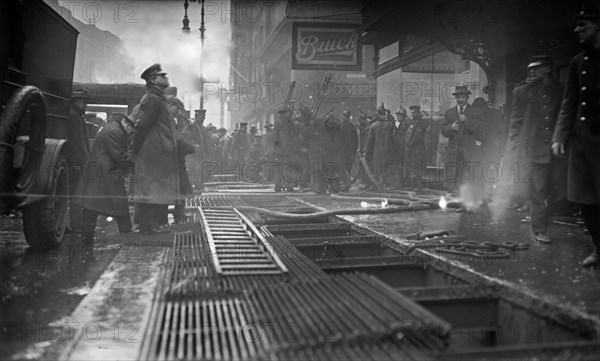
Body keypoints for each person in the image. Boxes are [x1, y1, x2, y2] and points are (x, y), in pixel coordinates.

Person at [552, 3, 600, 266]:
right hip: (583, 141)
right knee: (585, 199)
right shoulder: (577, 62)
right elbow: (569, 102)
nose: (576, 29)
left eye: (583, 24)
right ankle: (598, 247)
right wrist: (560, 135)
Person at [506, 56, 563, 244]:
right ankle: (539, 229)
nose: (531, 72)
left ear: (547, 69)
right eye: (529, 69)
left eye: (536, 69)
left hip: (559, 149)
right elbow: (515, 125)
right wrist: (514, 151)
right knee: (538, 191)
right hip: (535, 151)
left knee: (558, 190)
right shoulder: (522, 93)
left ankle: (546, 219)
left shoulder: (561, 90)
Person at [72, 113, 135, 253]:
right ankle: (127, 236)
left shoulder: (113, 128)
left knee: (92, 206)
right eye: (132, 129)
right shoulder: (115, 131)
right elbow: (119, 155)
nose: (131, 133)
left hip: (100, 173)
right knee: (117, 204)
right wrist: (134, 162)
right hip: (105, 173)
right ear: (127, 124)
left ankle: (86, 240)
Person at [131, 63, 179, 234]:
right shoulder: (152, 98)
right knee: (151, 189)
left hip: (158, 152)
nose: (166, 77)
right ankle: (147, 227)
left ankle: (151, 226)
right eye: (162, 75)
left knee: (155, 189)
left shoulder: (157, 98)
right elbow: (142, 125)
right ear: (154, 80)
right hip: (152, 153)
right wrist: (136, 150)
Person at [441, 85, 485, 212]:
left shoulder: (476, 111)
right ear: (455, 98)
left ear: (467, 97)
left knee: (470, 177)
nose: (460, 99)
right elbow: (443, 130)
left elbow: (482, 128)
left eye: (463, 97)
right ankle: (463, 204)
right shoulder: (450, 113)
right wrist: (451, 128)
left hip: (470, 151)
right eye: (458, 97)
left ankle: (471, 204)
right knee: (458, 178)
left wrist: (467, 120)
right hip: (455, 152)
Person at [66, 89, 93, 232]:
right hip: (75, 163)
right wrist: (86, 163)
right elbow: (78, 144)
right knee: (76, 195)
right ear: (76, 101)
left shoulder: (75, 115)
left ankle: (72, 224)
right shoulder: (75, 116)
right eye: (83, 101)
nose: (86, 104)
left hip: (72, 162)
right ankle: (75, 224)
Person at [364, 103, 395, 189]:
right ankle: (385, 183)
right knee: (386, 167)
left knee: (377, 167)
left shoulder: (373, 126)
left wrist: (367, 151)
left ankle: (377, 184)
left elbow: (370, 141)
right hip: (388, 151)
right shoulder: (390, 125)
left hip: (376, 151)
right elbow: (394, 140)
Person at [404, 106, 427, 192]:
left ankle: (418, 185)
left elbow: (418, 136)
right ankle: (412, 185)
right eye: (412, 112)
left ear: (418, 113)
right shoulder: (412, 122)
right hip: (411, 149)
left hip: (417, 149)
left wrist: (410, 144)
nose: (412, 114)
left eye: (414, 112)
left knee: (417, 167)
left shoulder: (420, 123)